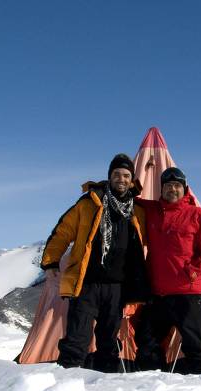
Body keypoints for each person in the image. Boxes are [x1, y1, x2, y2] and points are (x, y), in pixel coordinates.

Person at [40, 153, 148, 371]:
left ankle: (105, 383)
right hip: (86, 282)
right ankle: (66, 381)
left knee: (109, 339)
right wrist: (51, 262)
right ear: (109, 176)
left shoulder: (137, 211)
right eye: (117, 174)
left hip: (117, 287)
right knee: (77, 337)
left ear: (132, 179)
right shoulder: (89, 203)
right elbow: (62, 233)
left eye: (126, 175)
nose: (121, 179)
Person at [134, 167, 201, 374]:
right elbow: (130, 198)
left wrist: (193, 270)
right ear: (161, 189)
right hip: (157, 294)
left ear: (185, 189)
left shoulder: (199, 215)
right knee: (146, 340)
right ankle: (152, 383)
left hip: (188, 294)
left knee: (195, 346)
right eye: (167, 186)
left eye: (177, 186)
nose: (172, 189)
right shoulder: (152, 210)